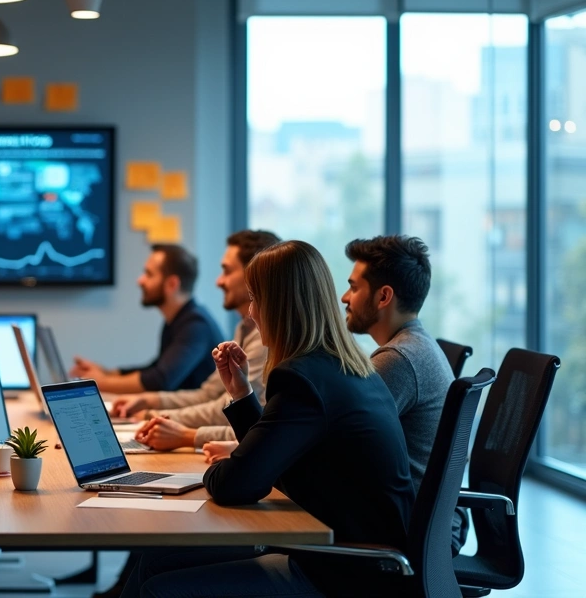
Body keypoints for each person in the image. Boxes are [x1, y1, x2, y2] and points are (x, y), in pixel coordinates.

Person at [125, 240, 414, 598]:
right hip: (356, 554)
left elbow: (237, 485)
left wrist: (217, 469)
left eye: (254, 299)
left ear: (277, 306)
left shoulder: (303, 378)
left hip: (345, 571)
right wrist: (241, 393)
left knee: (159, 588)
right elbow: (270, 453)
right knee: (155, 560)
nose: (250, 313)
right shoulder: (346, 366)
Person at [343, 234, 465, 551]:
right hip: (428, 524)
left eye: (354, 287)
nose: (344, 297)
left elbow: (337, 442)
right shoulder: (416, 345)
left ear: (384, 296)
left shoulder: (398, 360)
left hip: (409, 533)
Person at [114, 230, 280, 453]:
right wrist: (148, 403)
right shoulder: (244, 327)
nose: (218, 281)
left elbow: (161, 379)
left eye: (226, 271)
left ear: (254, 276)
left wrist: (156, 417)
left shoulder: (259, 338)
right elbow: (209, 394)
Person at [71, 244, 223, 394]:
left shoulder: (196, 325)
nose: (140, 280)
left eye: (149, 274)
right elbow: (155, 369)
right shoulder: (179, 319)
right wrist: (105, 372)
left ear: (172, 284)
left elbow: (160, 380)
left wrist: (99, 382)